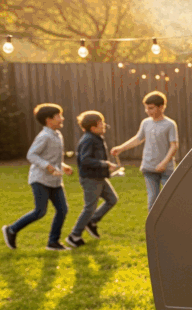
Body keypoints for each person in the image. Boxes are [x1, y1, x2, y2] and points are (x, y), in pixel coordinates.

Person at [3, 103, 74, 251]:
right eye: (58, 116)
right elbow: (32, 155)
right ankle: (11, 230)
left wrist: (62, 165)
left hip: (55, 180)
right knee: (40, 211)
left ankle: (53, 242)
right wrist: (47, 166)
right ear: (49, 120)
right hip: (40, 179)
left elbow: (51, 157)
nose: (62, 118)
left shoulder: (57, 135)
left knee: (63, 210)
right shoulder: (44, 136)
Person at [110, 91, 179, 210]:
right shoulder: (145, 123)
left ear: (162, 107)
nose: (148, 111)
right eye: (146, 108)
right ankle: (152, 228)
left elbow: (174, 145)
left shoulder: (170, 124)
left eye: (151, 108)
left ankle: (172, 225)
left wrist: (164, 163)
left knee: (171, 198)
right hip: (149, 168)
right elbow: (138, 139)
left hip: (166, 169)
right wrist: (121, 148)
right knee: (152, 199)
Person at [65, 111, 119, 248]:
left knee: (112, 199)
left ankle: (92, 221)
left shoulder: (96, 137)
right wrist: (105, 164)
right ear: (93, 128)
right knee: (89, 207)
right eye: (101, 123)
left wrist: (106, 166)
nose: (104, 125)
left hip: (99, 177)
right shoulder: (88, 139)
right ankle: (74, 235)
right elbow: (85, 160)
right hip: (90, 179)